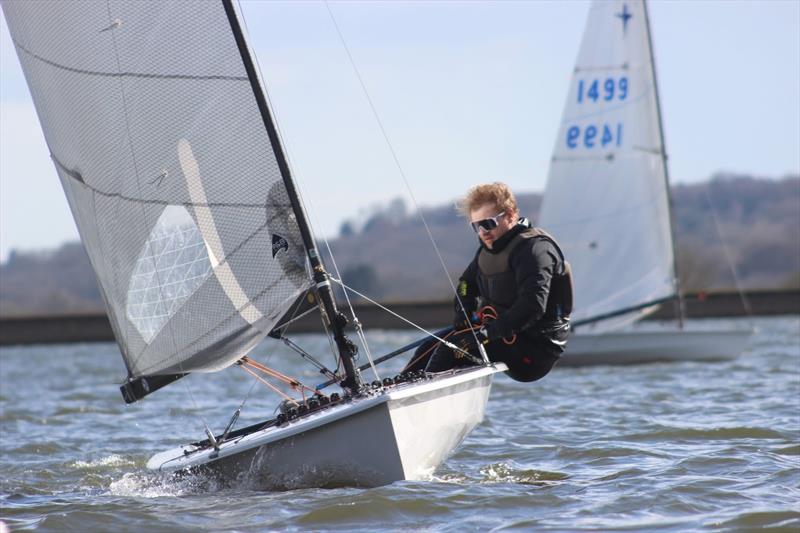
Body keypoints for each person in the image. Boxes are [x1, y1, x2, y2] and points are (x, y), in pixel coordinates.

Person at [404, 182, 572, 382]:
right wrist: (463, 311)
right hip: (499, 336)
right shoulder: (487, 251)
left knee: (452, 348)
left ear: (510, 215)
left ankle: (418, 398)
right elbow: (466, 284)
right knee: (432, 345)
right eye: (476, 226)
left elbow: (532, 306)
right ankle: (391, 391)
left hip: (535, 350)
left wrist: (486, 333)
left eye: (488, 223)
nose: (482, 231)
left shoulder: (535, 250)